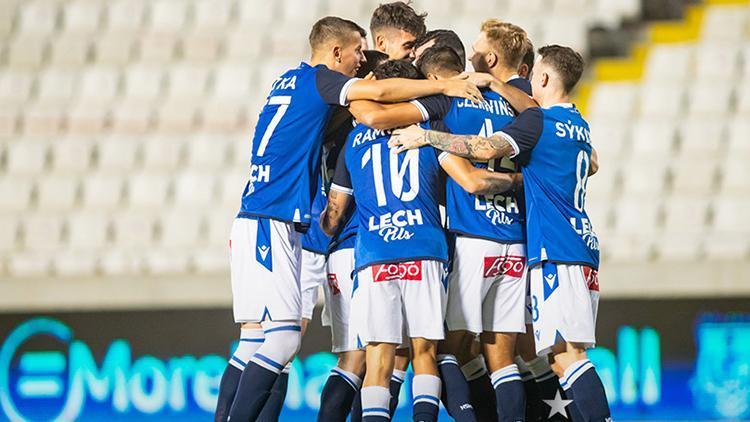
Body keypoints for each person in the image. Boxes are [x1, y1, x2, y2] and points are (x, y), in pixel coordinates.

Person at [214, 16, 483, 422]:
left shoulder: (299, 86)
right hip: (319, 232)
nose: (359, 61)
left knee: (275, 341)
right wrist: (442, 89)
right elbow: (374, 107)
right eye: (409, 46)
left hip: (301, 227)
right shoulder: (337, 86)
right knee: (346, 351)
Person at [389, 44, 610, 422]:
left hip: (549, 250)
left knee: (564, 354)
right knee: (510, 352)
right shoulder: (579, 124)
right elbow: (591, 163)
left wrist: (427, 137)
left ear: (541, 78)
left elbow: (484, 147)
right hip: (566, 245)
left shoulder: (539, 122)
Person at [321, 59, 520, 422]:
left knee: (379, 358)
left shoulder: (352, 140)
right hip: (424, 249)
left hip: (374, 255)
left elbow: (333, 217)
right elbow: (467, 180)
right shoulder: (429, 128)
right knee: (424, 352)